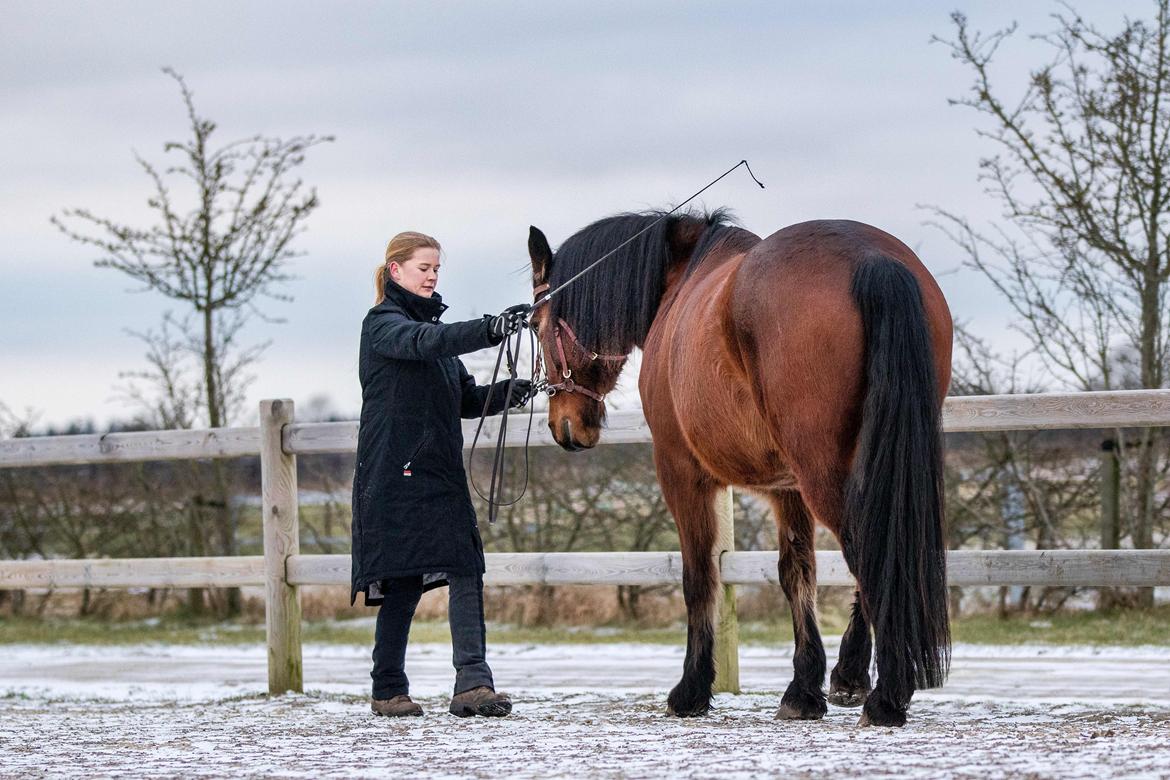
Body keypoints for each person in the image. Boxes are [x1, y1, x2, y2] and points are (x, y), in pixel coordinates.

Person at [351, 230, 531, 718]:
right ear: (396, 271)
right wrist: (491, 329)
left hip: (440, 473)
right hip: (393, 474)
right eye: (423, 268)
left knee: (465, 566)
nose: (431, 276)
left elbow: (466, 401)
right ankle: (388, 689)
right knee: (403, 581)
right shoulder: (383, 325)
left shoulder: (438, 339)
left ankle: (473, 683)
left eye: (436, 269)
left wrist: (513, 390)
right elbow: (426, 342)